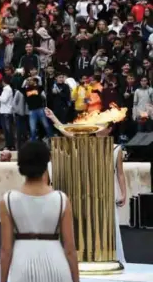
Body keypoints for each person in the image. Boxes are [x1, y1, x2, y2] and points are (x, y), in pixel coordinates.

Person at [0, 141, 81, 282]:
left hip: (22, 267)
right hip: (57, 265)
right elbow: (70, 248)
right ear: (46, 163)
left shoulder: (7, 200)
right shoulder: (61, 199)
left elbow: (6, 250)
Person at [44, 107, 127, 267]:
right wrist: (54, 118)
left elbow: (120, 174)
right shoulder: (87, 144)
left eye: (103, 125)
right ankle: (93, 256)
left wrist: (124, 193)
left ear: (109, 129)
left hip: (108, 191)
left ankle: (113, 257)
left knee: (109, 224)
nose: (99, 128)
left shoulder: (116, 149)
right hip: (90, 192)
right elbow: (70, 134)